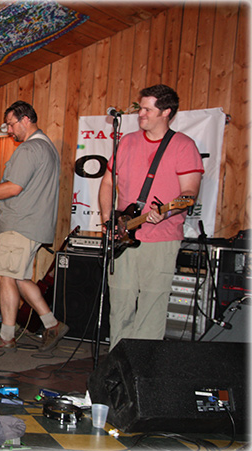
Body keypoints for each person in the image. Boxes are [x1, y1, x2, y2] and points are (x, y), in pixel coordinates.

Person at [99, 84, 203, 350]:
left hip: (161, 239)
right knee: (120, 303)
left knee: (151, 307)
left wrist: (168, 212)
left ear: (166, 112)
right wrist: (108, 219)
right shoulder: (127, 142)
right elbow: (108, 181)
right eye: (141, 108)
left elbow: (189, 194)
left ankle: (143, 365)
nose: (141, 114)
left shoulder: (183, 146)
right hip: (123, 236)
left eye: (147, 109)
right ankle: (117, 361)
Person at [0, 101, 66, 352]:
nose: (9, 130)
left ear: (26, 119)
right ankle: (51, 325)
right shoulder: (48, 147)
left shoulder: (30, 149)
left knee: (6, 277)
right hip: (33, 225)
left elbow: (13, 187)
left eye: (11, 124)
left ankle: (7, 336)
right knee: (18, 278)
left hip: (20, 224)